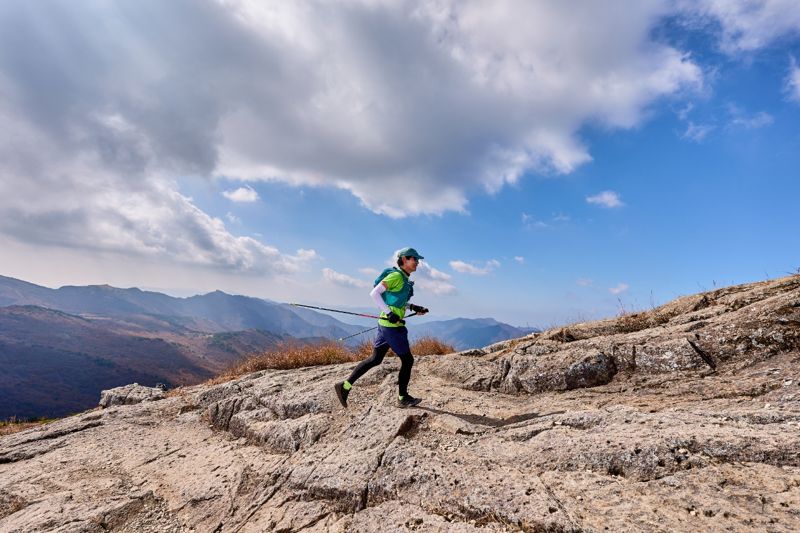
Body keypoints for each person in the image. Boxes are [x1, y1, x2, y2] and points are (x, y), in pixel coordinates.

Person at [335, 247, 429, 409]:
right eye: (415, 259)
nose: (417, 263)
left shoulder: (403, 278)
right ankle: (402, 397)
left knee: (376, 359)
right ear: (405, 259)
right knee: (408, 360)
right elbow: (374, 293)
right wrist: (389, 313)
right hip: (391, 326)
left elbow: (395, 301)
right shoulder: (396, 276)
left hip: (385, 325)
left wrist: (413, 307)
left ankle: (344, 386)